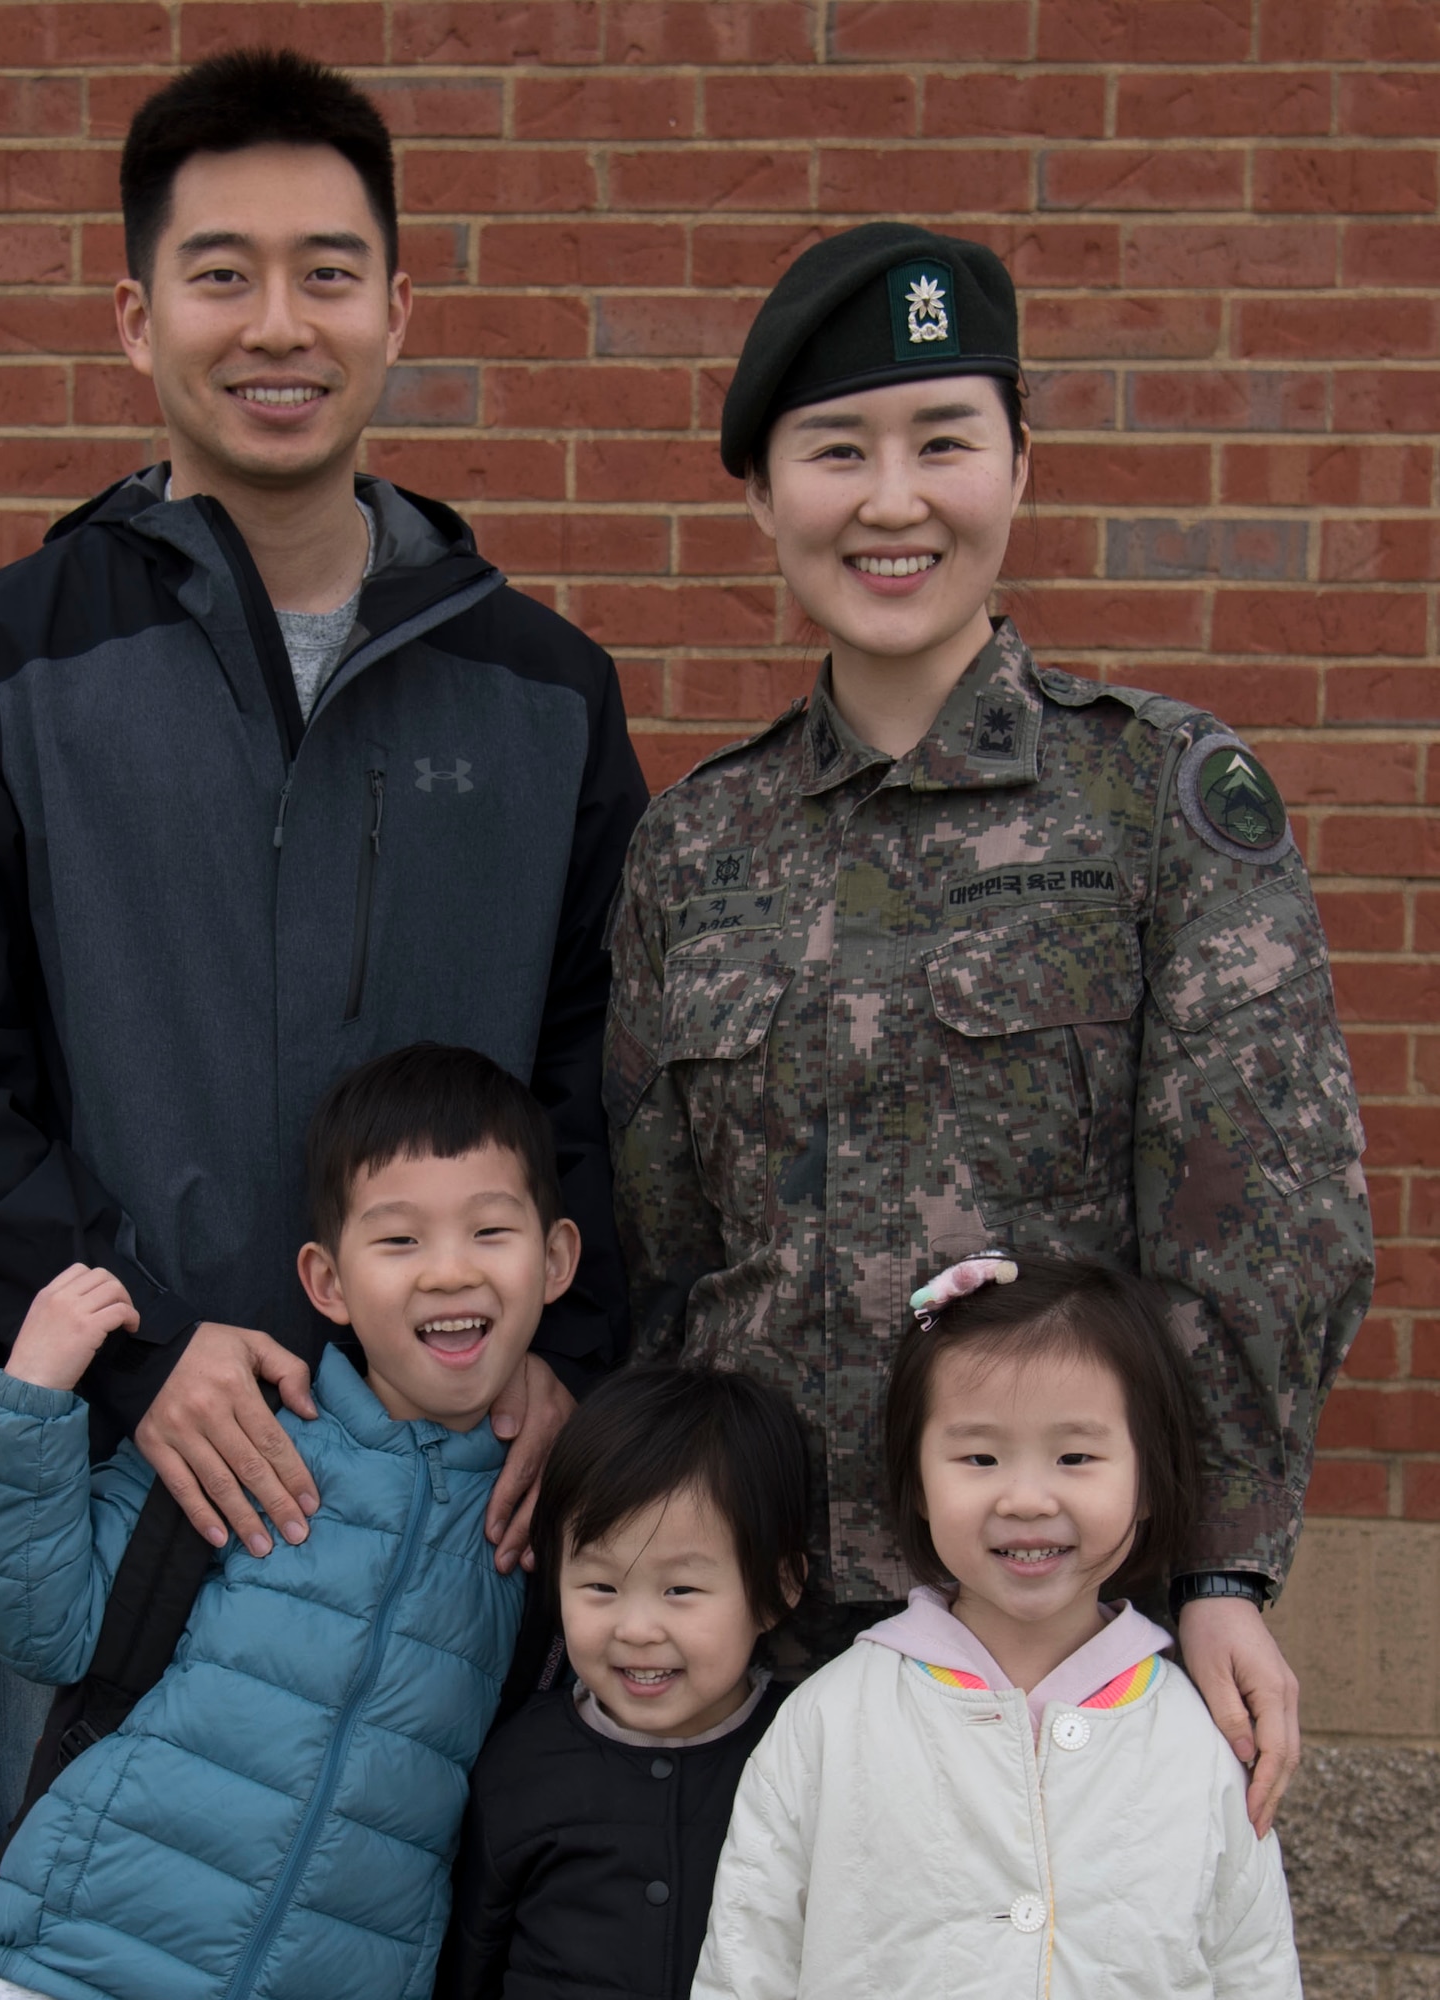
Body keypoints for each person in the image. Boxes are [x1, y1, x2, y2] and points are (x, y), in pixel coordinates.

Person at [0, 50, 645, 1899]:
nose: (278, 324)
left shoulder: (539, 689)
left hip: (450, 1516)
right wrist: (117, 1338)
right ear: (135, 315)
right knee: (89, 1926)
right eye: (221, 273)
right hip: (135, 1492)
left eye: (328, 271)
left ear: (398, 306)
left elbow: (603, 1059)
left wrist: (565, 1359)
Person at [603, 221, 1372, 1829]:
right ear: (760, 497)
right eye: (835, 452)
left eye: (942, 440)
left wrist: (1221, 1566)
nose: (892, 501)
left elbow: (1265, 1227)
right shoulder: (694, 847)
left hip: (1060, 1641)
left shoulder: (1158, 801)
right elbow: (665, 1258)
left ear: (1019, 466)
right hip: (755, 1641)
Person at [0, 1044, 580, 2000]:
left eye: (491, 1232)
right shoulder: (244, 1438)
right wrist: (32, 1391)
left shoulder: (546, 1515)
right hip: (80, 1967)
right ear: (327, 1281)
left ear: (557, 1260)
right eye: (400, 1241)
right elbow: (40, 1623)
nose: (449, 1273)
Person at [692, 1254, 1302, 2000]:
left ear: (1148, 1480)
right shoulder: (827, 1721)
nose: (1025, 1498)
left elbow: (1254, 1968)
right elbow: (745, 1965)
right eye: (980, 1456)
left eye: (1076, 1456)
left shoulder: (1198, 1743)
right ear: (917, 1482)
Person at [437, 1364, 810, 2000]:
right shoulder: (522, 1762)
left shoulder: (805, 1752)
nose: (636, 1629)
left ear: (775, 1590)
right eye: (601, 1586)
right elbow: (470, 1957)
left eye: (681, 1589)